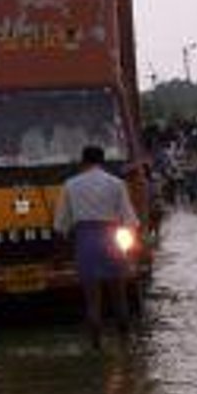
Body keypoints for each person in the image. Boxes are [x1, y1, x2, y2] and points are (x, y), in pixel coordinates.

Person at [53, 145, 139, 349]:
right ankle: (126, 346)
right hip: (112, 240)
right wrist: (133, 251)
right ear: (103, 161)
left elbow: (60, 226)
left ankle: (96, 348)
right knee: (119, 298)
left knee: (93, 302)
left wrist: (59, 255)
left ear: (83, 162)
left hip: (86, 242)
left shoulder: (70, 185)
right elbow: (131, 221)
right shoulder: (117, 183)